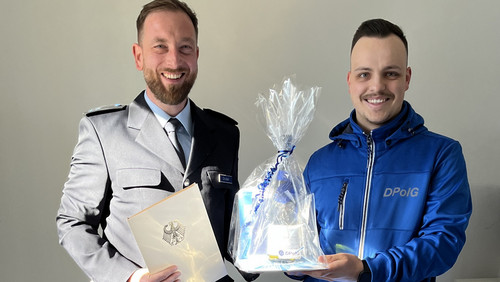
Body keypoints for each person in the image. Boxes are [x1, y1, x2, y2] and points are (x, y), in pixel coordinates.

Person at [56, 1, 257, 281]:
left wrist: (274, 247)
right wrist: (131, 278)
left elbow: (230, 232)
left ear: (196, 55)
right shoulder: (103, 132)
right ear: (138, 56)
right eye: (160, 46)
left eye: (185, 47)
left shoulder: (224, 133)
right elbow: (72, 223)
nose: (174, 61)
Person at [293, 19, 472, 281]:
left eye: (390, 73)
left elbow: (443, 243)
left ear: (407, 78)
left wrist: (367, 271)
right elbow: (300, 244)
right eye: (364, 74)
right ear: (350, 80)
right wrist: (290, 264)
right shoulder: (319, 163)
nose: (376, 87)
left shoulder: (442, 155)